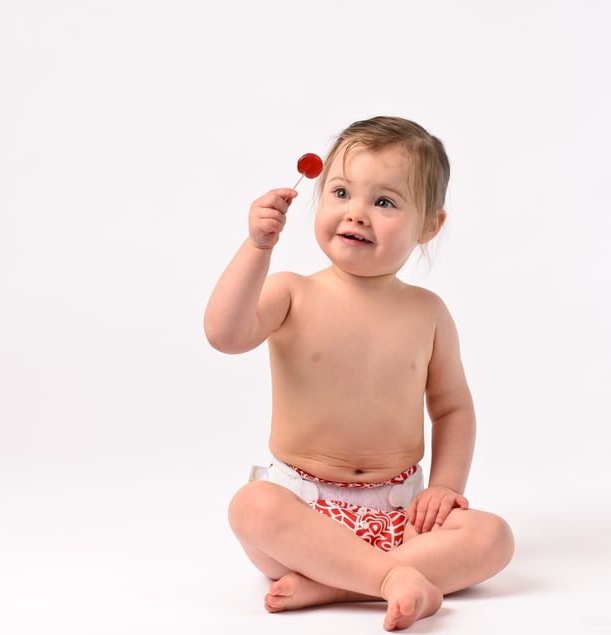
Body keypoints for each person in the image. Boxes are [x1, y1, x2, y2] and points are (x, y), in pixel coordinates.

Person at [204, 116, 514, 631]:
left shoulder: (428, 313)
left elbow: (453, 407)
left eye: (385, 202)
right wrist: (257, 248)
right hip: (304, 510)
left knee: (493, 538)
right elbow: (224, 334)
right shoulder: (291, 292)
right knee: (252, 507)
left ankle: (332, 584)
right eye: (342, 192)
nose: (357, 214)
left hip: (399, 514)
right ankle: (390, 579)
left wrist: (444, 486)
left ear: (429, 226)